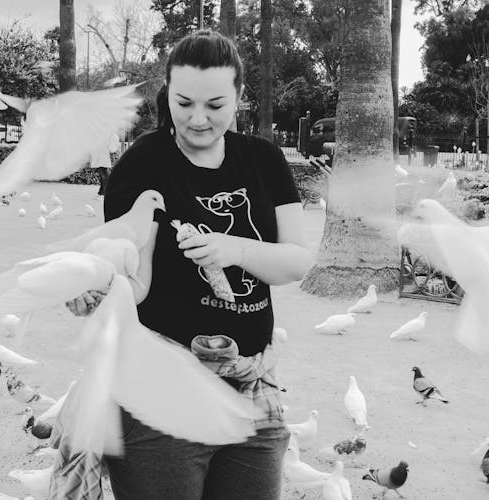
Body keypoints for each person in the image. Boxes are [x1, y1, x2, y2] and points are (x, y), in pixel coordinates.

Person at [61, 29, 314, 500]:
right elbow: (135, 281)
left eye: (215, 106)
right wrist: (96, 286)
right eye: (184, 103)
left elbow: (295, 262)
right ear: (168, 94)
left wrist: (234, 250)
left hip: (252, 388)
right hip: (163, 394)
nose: (198, 119)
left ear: (239, 95)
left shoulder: (264, 160)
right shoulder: (144, 164)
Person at [90, 132, 120, 197]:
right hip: (100, 158)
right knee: (103, 176)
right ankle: (101, 192)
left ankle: (104, 192)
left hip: (102, 158)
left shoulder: (107, 135)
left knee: (103, 176)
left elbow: (111, 148)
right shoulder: (102, 135)